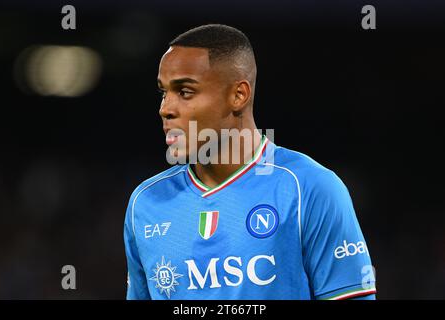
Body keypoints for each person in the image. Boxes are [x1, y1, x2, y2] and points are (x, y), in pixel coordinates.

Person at [124, 24, 376, 300]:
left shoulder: (309, 188)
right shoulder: (145, 204)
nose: (165, 109)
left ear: (238, 95)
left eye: (185, 92)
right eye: (164, 92)